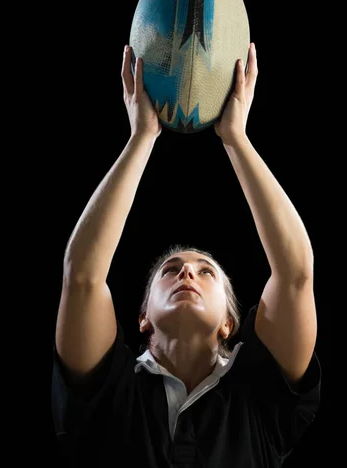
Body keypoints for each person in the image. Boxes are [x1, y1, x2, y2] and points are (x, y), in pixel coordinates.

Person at [52, 44, 321, 467]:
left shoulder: (257, 397)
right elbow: (82, 276)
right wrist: (142, 137)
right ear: (143, 317)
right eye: (171, 270)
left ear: (229, 324)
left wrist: (237, 139)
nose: (187, 275)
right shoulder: (112, 391)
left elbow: (295, 274)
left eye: (206, 271)